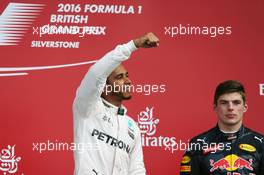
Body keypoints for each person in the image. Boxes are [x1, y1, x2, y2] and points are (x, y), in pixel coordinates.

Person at [73, 33, 159, 175]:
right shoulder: (87, 108)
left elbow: (136, 170)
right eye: (119, 77)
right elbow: (96, 73)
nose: (128, 81)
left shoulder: (131, 126)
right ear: (104, 86)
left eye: (127, 76)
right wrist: (133, 45)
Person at [180, 80, 264, 175]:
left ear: (245, 107)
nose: (230, 108)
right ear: (215, 107)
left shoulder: (261, 143)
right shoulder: (198, 144)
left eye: (236, 102)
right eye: (224, 102)